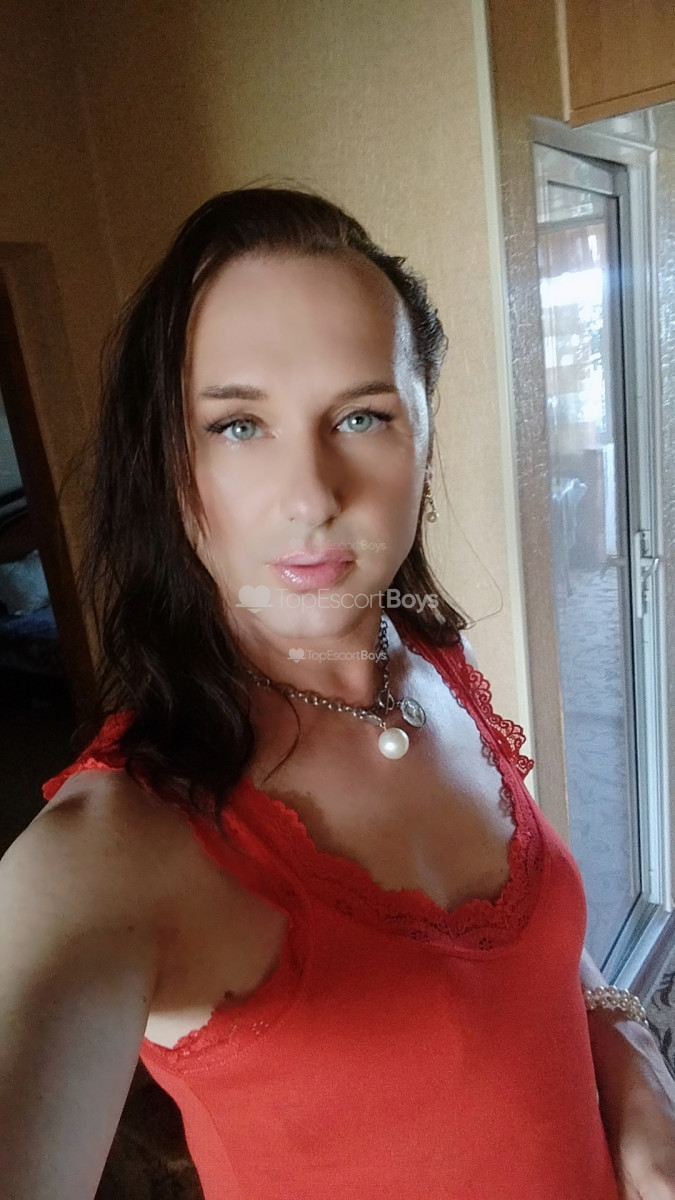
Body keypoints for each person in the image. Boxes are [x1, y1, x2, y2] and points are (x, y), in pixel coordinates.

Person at [0, 187, 673, 1200]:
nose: (312, 494)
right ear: (170, 466)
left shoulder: (429, 665)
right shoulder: (113, 851)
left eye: (362, 416)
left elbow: (524, 955)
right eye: (238, 425)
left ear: (425, 442)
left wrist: (627, 1052)